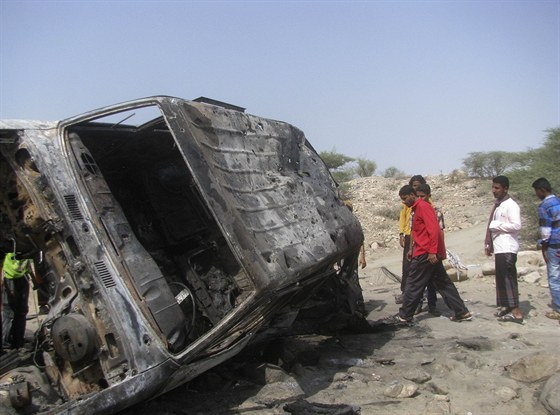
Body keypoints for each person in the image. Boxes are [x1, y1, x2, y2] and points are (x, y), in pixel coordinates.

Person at [392, 185, 471, 324]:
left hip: (425, 253)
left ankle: (404, 316)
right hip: (423, 251)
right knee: (444, 284)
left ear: (412, 194)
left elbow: (433, 230)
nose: (404, 202)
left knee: (413, 283)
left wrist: (433, 251)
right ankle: (462, 312)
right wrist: (411, 249)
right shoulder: (415, 209)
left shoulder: (423, 207)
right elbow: (418, 233)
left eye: (405, 199)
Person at [485, 176, 523, 323]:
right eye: (493, 187)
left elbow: (516, 225)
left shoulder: (511, 205)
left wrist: (497, 225)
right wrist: (489, 243)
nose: (494, 191)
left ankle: (516, 312)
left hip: (508, 247)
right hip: (500, 247)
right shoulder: (499, 205)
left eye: (497, 188)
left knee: (508, 278)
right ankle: (507, 307)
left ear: (505, 189)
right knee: (501, 278)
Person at [531, 177, 560, 321]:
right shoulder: (558, 202)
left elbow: (545, 230)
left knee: (554, 277)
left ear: (542, 190)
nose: (536, 194)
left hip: (554, 245)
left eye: (537, 191)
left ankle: (558, 309)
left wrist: (542, 243)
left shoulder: (544, 206)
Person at [396, 175, 426, 304]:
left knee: (417, 266)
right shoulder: (407, 204)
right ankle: (406, 292)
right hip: (409, 235)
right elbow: (403, 218)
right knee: (407, 265)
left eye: (417, 185)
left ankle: (417, 296)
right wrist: (401, 233)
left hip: (419, 236)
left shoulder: (424, 202)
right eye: (414, 185)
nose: (416, 187)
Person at [413, 183, 442, 316]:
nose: (420, 199)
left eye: (422, 196)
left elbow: (437, 232)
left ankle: (432, 305)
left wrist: (434, 251)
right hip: (421, 249)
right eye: (418, 196)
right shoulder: (416, 208)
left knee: (429, 282)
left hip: (429, 251)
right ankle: (417, 305)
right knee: (421, 282)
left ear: (429, 196)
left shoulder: (433, 210)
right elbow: (414, 232)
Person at [2, 250, 39, 349]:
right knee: (8, 312)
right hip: (10, 279)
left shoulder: (24, 248)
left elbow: (27, 265)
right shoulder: (10, 248)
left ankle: (18, 341)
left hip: (22, 279)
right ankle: (4, 342)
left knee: (22, 312)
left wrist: (34, 280)